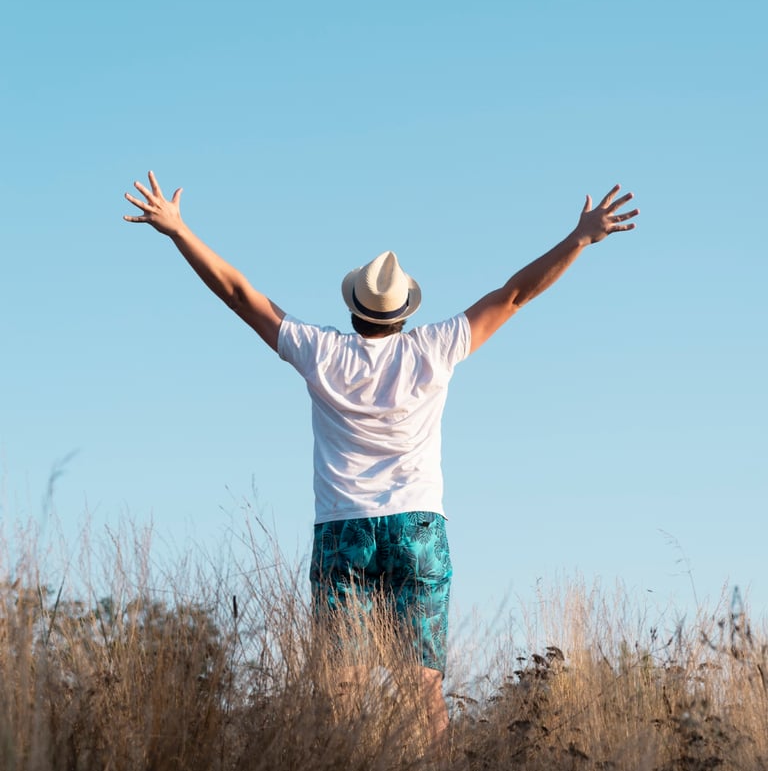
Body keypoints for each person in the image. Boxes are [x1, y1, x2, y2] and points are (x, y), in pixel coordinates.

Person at [123, 172, 638, 748]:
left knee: (338, 693)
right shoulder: (433, 348)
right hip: (418, 527)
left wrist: (178, 230)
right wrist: (579, 239)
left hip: (342, 529)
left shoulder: (322, 351)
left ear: (354, 311)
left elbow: (239, 294)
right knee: (422, 693)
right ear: (405, 314)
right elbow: (516, 294)